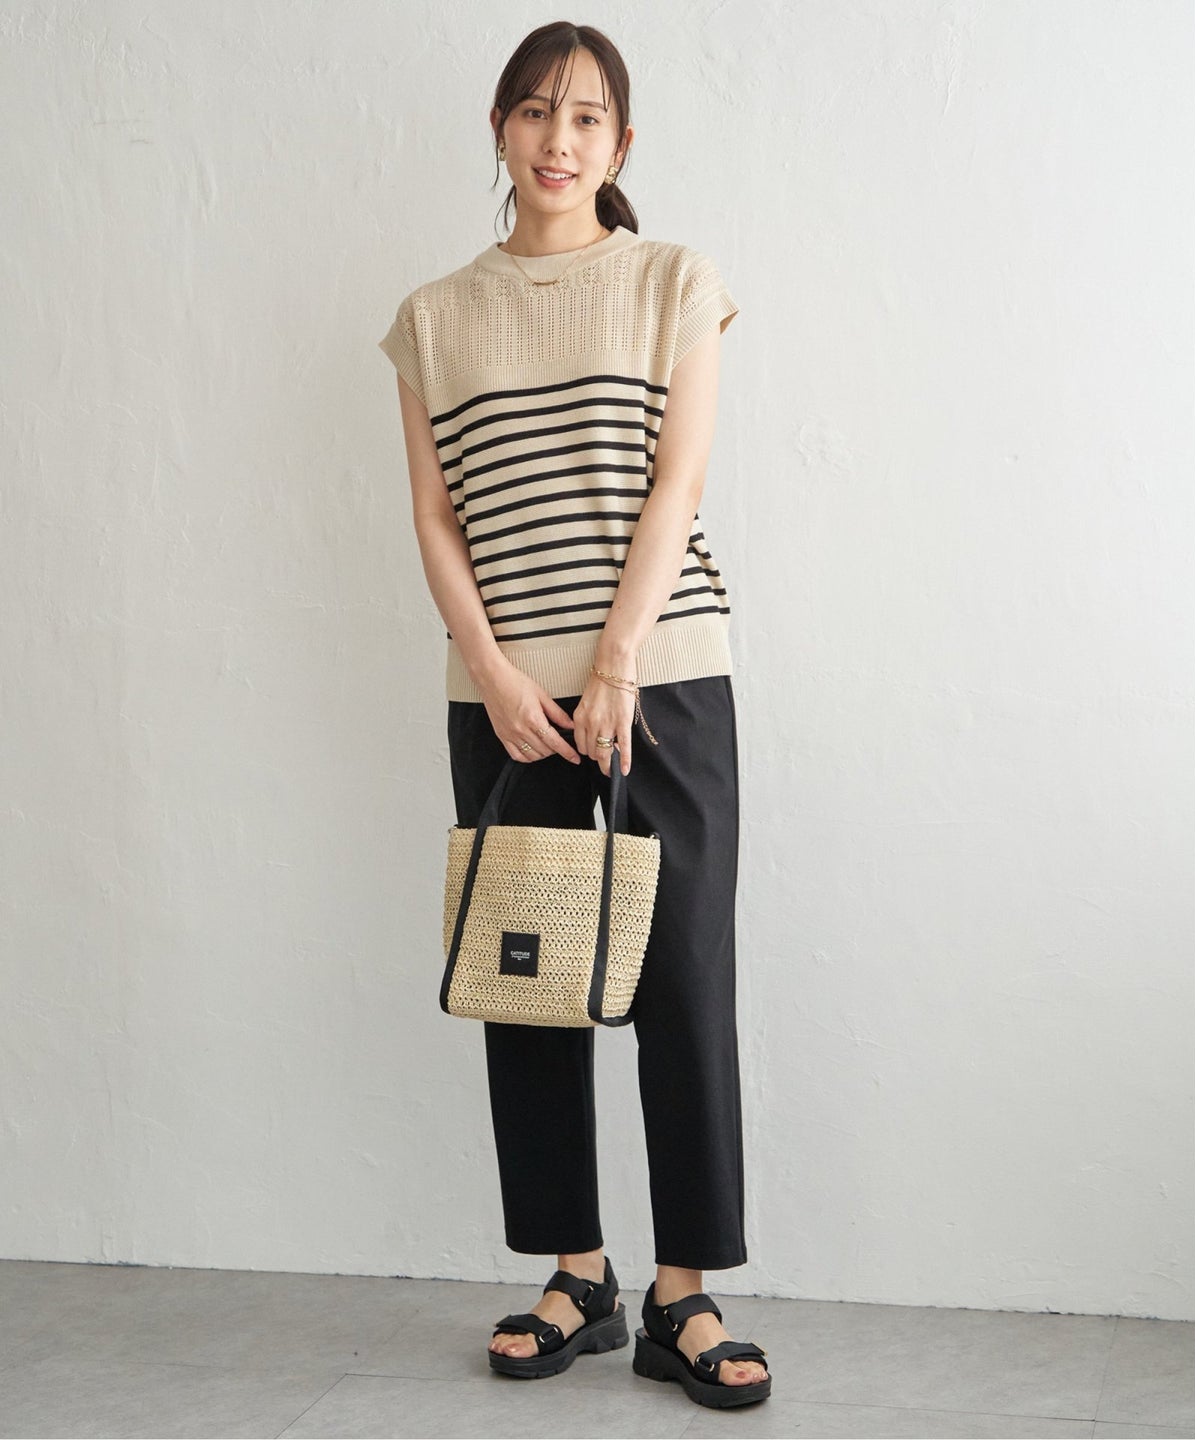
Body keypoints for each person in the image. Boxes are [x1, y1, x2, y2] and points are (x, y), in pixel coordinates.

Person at [377, 20, 771, 1410]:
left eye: (587, 117)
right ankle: (578, 1274)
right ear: (500, 128)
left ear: (621, 143)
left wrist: (613, 662)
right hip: (503, 696)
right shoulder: (433, 318)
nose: (560, 140)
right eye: (536, 112)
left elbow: (679, 482)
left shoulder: (674, 282)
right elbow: (435, 516)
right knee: (530, 983)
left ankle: (685, 1293)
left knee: (685, 979)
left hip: (662, 678)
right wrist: (494, 672)